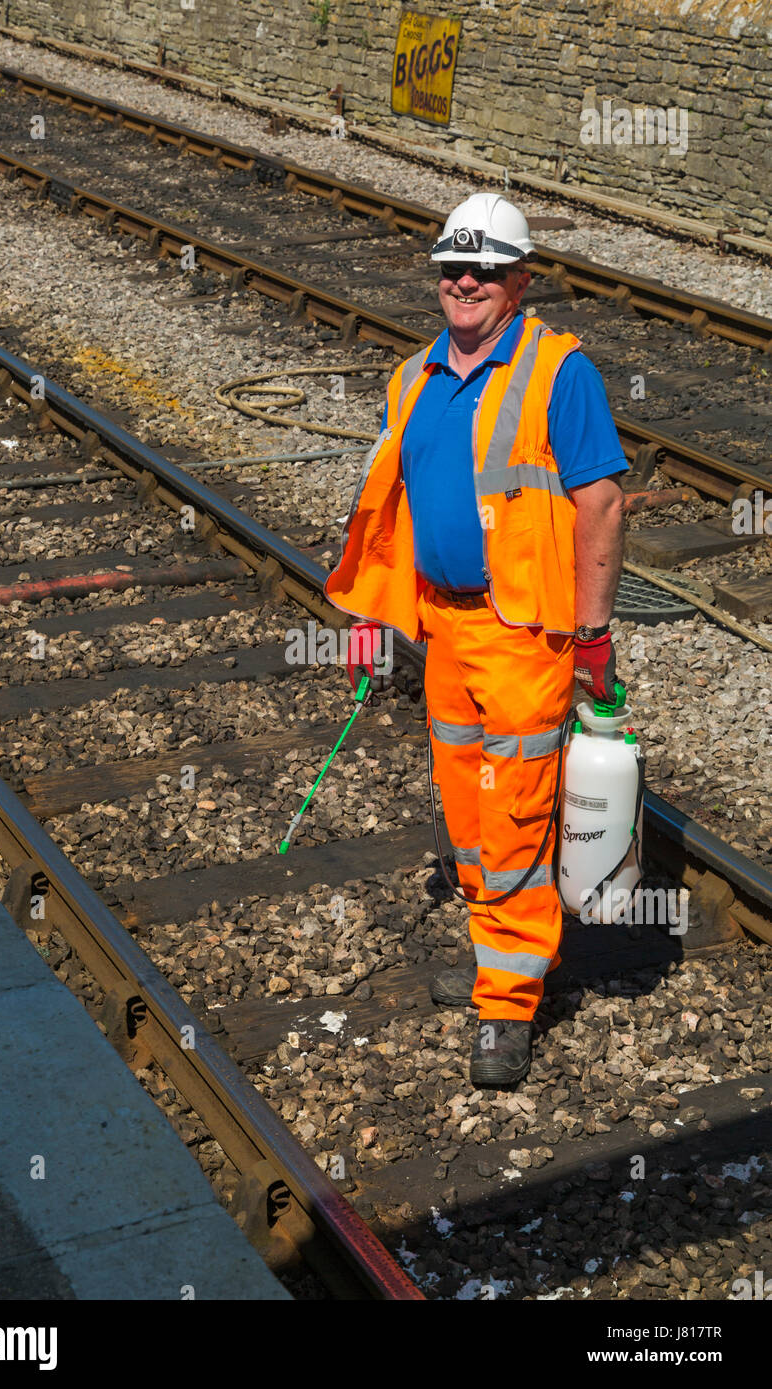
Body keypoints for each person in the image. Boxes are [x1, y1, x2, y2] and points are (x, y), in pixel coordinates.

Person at [325, 193, 627, 1086]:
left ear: (519, 281)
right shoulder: (413, 376)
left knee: (518, 816)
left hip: (526, 630)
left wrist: (594, 633)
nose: (465, 283)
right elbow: (395, 505)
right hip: (444, 628)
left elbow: (601, 504)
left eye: (486, 270)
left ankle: (506, 1003)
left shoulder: (558, 371)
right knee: (466, 809)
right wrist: (372, 615)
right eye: (453, 269)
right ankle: (506, 957)